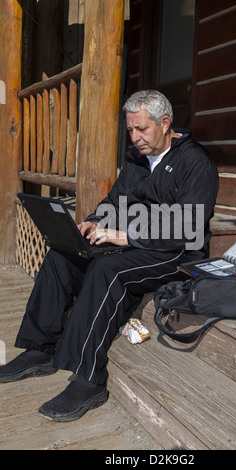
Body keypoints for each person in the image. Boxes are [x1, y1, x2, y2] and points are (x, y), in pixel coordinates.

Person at [0, 90, 219, 422]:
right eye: (130, 130)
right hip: (131, 241)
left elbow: (187, 226)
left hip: (175, 252)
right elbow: (115, 199)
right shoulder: (136, 158)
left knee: (108, 269)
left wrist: (126, 235)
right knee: (63, 255)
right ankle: (39, 349)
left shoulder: (196, 163)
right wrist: (93, 221)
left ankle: (88, 379)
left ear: (165, 123)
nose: (135, 137)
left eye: (142, 129)